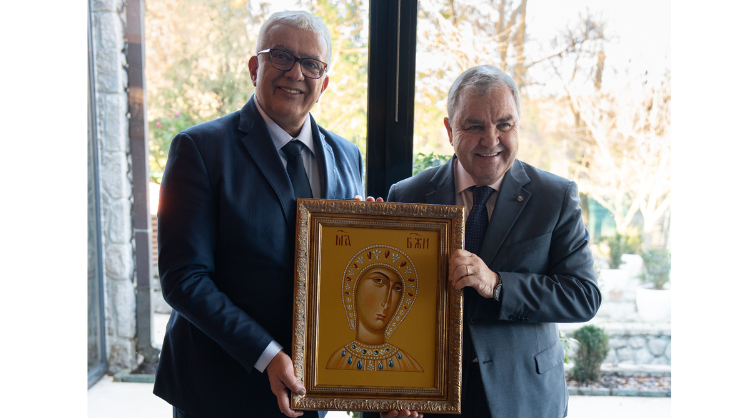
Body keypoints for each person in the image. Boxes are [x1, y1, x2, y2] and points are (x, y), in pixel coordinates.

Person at [153, 11, 364, 418]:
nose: (295, 73)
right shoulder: (198, 149)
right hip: (219, 390)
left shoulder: (348, 155)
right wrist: (267, 354)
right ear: (255, 68)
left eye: (311, 64)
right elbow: (183, 279)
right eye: (281, 56)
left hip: (310, 391)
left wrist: (368, 232)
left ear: (324, 82)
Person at [385, 65, 601, 418]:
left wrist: (498, 284)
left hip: (524, 395)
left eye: (504, 124)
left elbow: (583, 296)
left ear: (517, 125)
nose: (491, 139)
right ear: (449, 130)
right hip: (429, 396)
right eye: (474, 126)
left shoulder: (555, 197)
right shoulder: (407, 196)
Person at [326, 247, 423, 372]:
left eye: (397, 288)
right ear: (355, 289)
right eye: (378, 281)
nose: (386, 303)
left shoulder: (408, 365)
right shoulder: (336, 361)